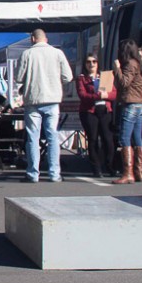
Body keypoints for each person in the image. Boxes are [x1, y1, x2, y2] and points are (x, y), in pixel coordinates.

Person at [14, 29, 73, 183]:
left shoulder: (27, 54)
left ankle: (33, 173)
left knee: (33, 137)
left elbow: (18, 77)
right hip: (52, 99)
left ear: (32, 39)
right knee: (52, 136)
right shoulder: (57, 53)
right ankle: (54, 174)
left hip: (33, 100)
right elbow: (68, 77)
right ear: (46, 39)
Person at [112, 39, 142, 184]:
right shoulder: (140, 65)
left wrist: (117, 69)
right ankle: (139, 171)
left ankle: (128, 173)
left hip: (131, 104)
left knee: (124, 137)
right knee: (138, 137)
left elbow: (124, 83)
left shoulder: (129, 64)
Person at [76, 54, 117, 178]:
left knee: (108, 140)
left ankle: (110, 166)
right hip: (89, 111)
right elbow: (82, 95)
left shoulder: (105, 76)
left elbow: (114, 93)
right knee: (93, 139)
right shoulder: (82, 78)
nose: (91, 64)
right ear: (85, 64)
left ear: (98, 63)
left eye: (94, 61)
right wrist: (98, 96)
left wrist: (106, 95)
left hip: (105, 110)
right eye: (88, 62)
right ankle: (96, 168)